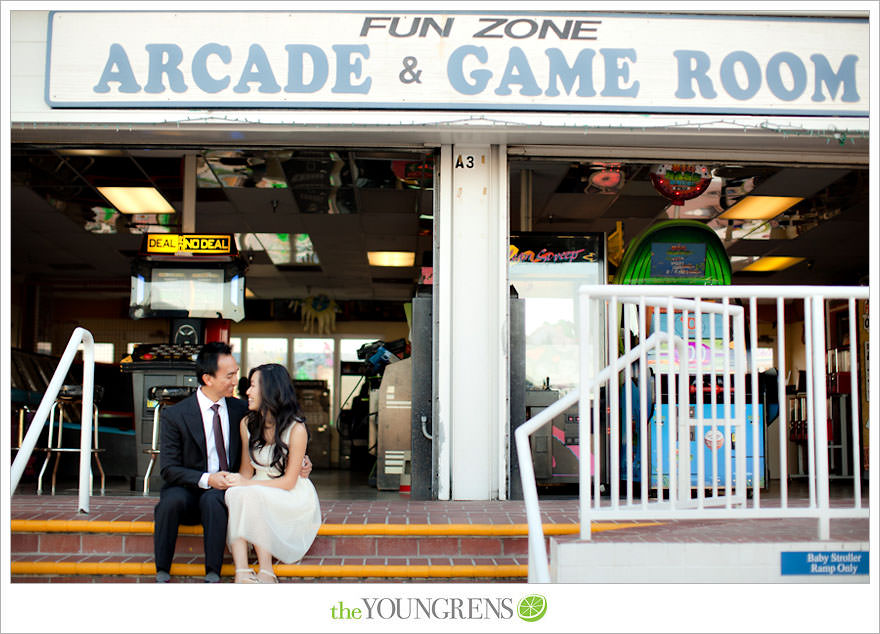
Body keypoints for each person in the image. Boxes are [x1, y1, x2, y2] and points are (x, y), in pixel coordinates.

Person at [152, 342, 312, 583]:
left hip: (232, 485)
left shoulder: (242, 410)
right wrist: (209, 479)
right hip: (192, 484)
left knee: (221, 498)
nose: (237, 382)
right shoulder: (176, 415)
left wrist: (300, 459)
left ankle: (215, 573)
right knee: (171, 500)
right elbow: (168, 468)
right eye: (230, 375)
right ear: (208, 378)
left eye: (237, 373)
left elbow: (278, 432)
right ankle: (163, 569)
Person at [224, 363, 322, 583]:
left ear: (270, 390)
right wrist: (235, 481)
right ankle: (242, 571)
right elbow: (246, 472)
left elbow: (288, 482)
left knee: (248, 493)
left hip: (289, 493)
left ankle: (266, 570)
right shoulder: (247, 424)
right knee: (234, 493)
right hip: (257, 488)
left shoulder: (296, 429)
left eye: (252, 386)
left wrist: (247, 486)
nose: (247, 392)